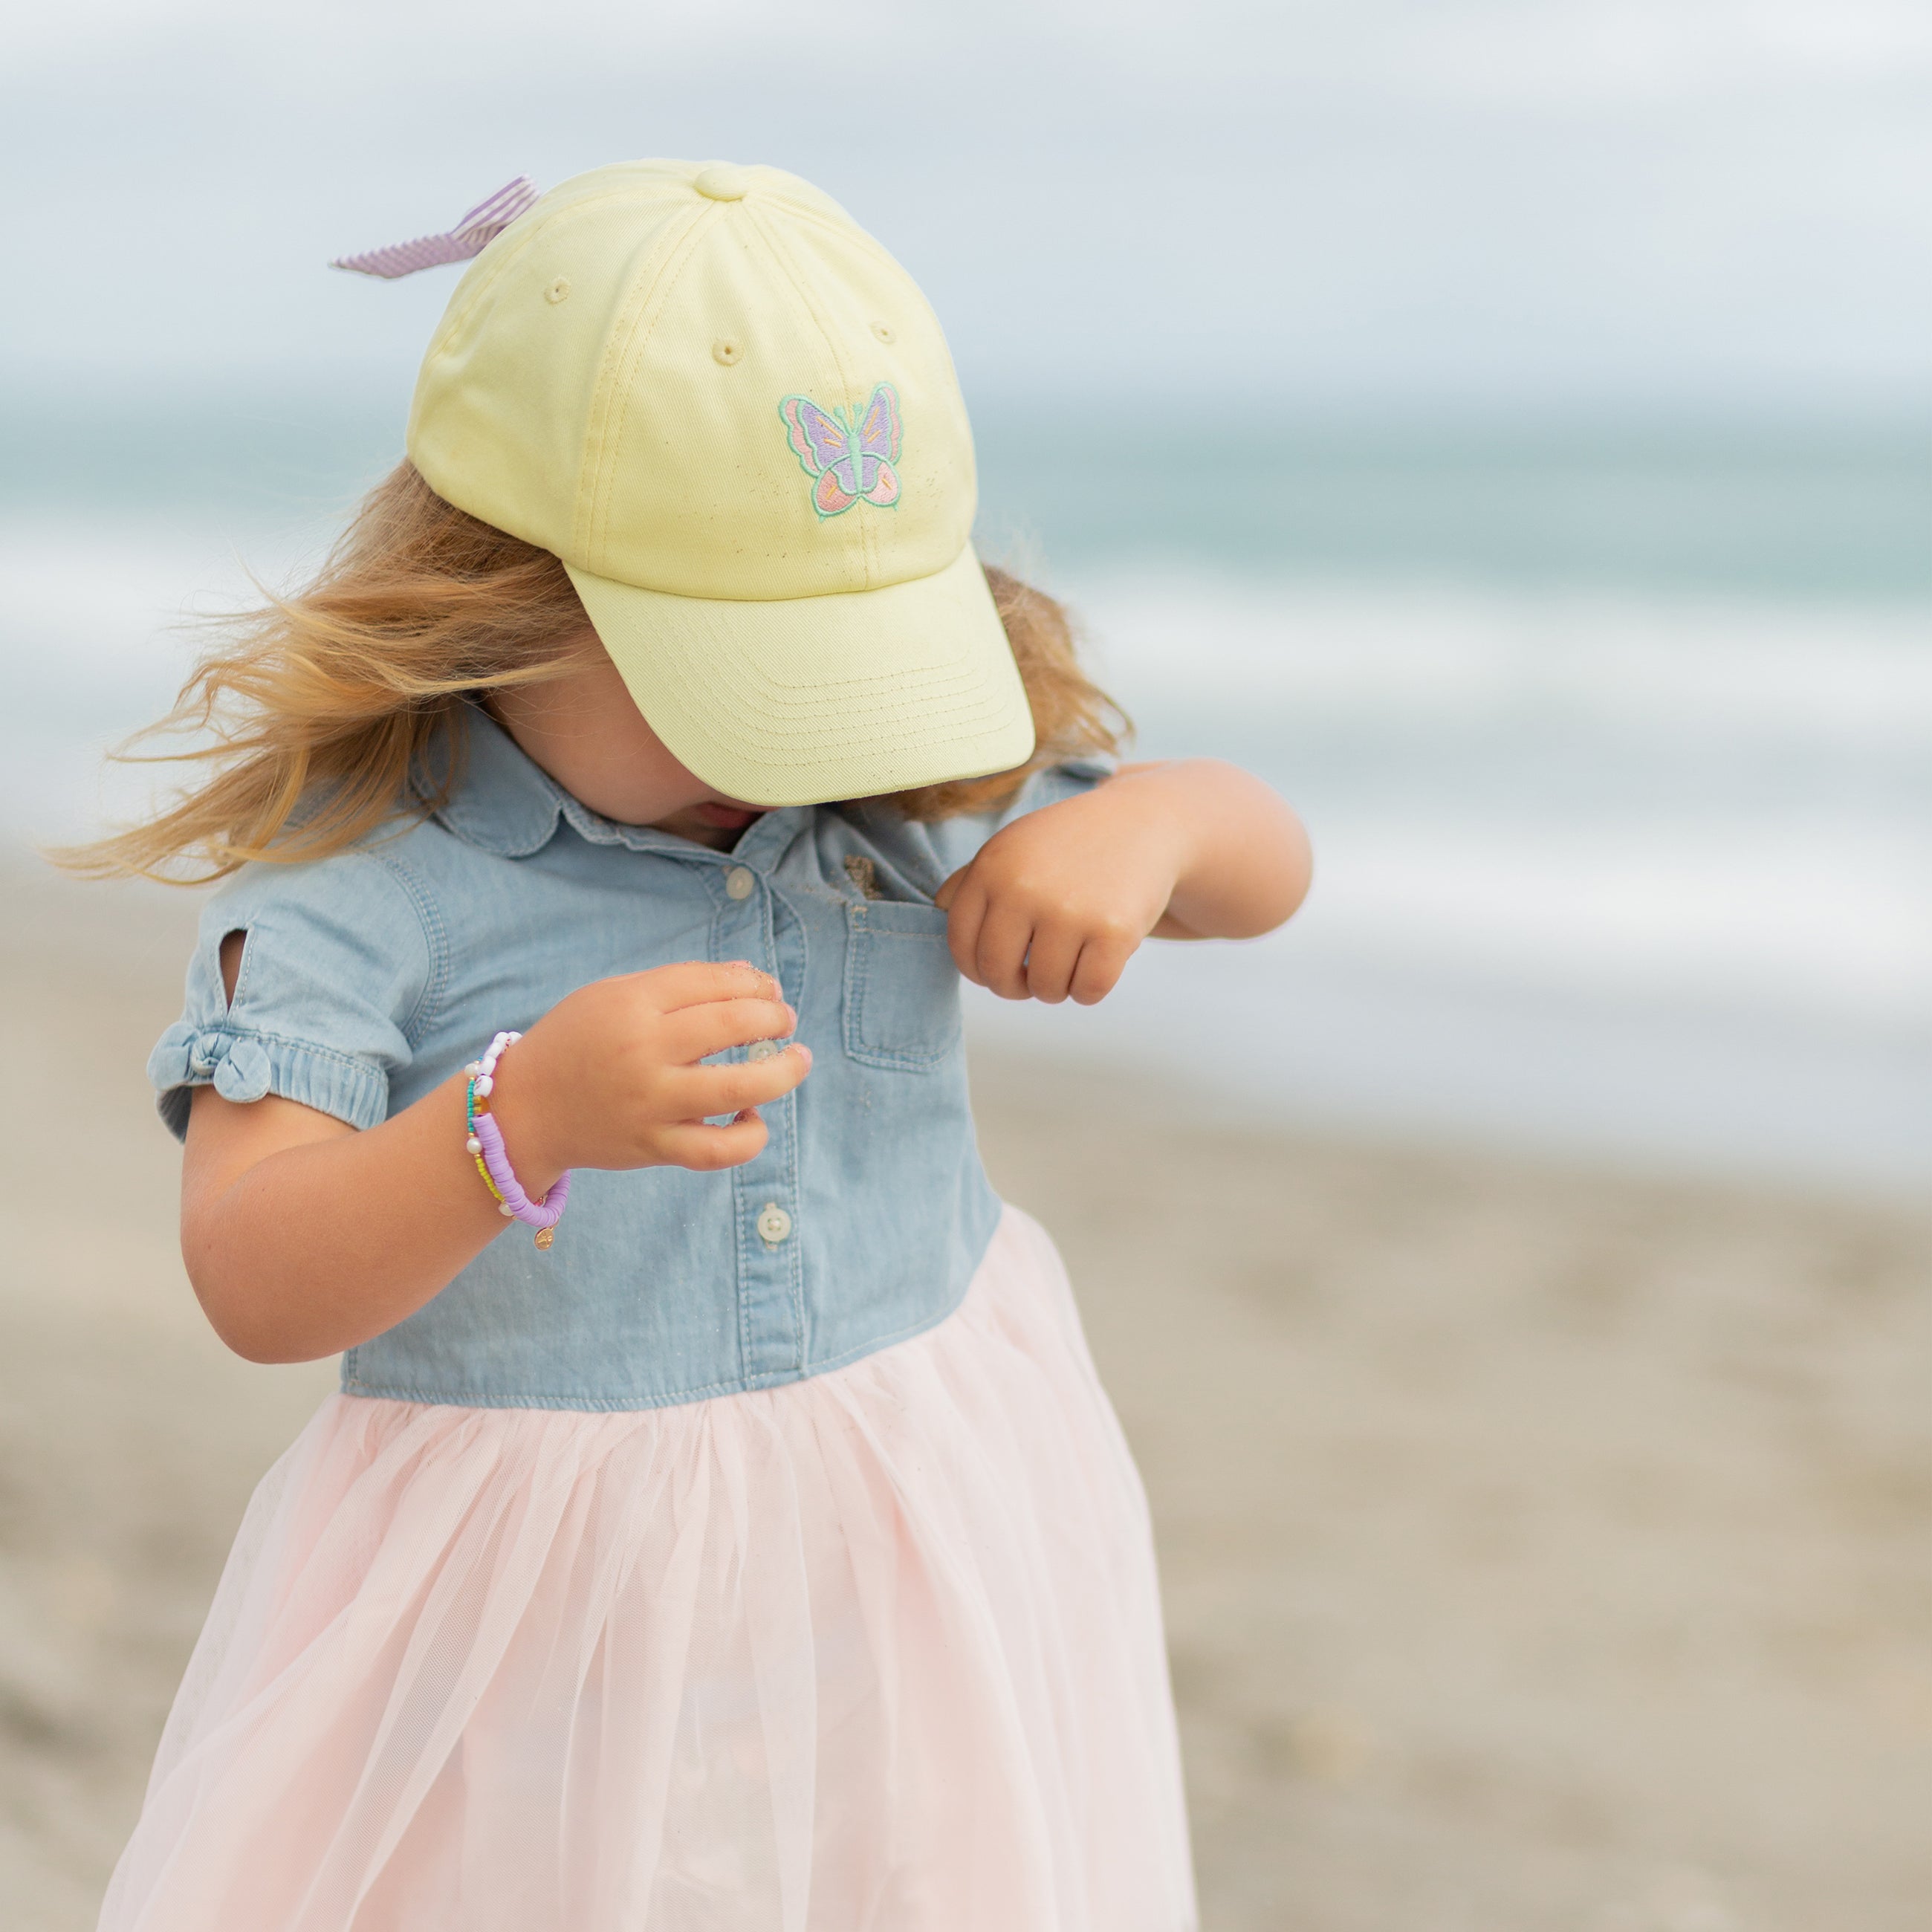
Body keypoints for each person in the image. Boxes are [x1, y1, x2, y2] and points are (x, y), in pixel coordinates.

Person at [71, 160, 1312, 1931]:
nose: (797, 739)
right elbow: (253, 1276)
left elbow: (1269, 871)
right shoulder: (372, 891)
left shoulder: (880, 787)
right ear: (498, 599)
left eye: (845, 660)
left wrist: (1157, 826)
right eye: (741, 669)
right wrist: (520, 1118)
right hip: (538, 1640)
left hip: (915, 1557)